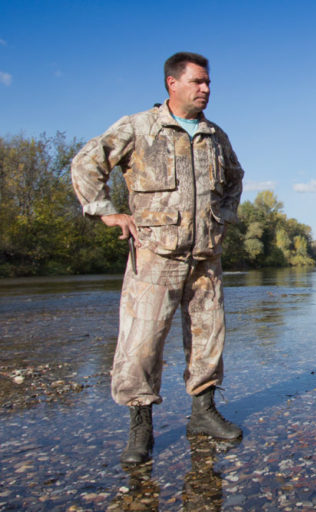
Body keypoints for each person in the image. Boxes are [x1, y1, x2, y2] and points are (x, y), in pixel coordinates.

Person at [71, 52, 244, 464]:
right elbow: (86, 163)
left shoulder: (215, 135)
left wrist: (223, 218)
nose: (206, 89)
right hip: (154, 256)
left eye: (208, 83)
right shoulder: (139, 127)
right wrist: (105, 211)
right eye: (198, 82)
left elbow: (236, 178)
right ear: (173, 83)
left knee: (208, 337)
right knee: (141, 344)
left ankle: (202, 413)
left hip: (205, 256)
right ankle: (140, 429)